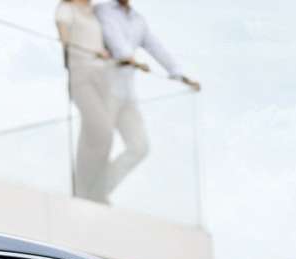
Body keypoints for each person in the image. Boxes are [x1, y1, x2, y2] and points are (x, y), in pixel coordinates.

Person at [94, 0, 201, 200]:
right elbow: (114, 41)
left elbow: (156, 48)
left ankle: (100, 187)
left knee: (140, 147)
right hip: (105, 90)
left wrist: (179, 74)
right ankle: (91, 191)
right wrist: (131, 58)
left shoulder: (138, 20)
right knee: (101, 144)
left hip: (127, 95)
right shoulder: (103, 10)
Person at [56, 0, 113, 202]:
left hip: (101, 78)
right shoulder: (66, 9)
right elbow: (64, 39)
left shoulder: (94, 12)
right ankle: (87, 189)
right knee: (103, 131)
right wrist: (87, 51)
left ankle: (89, 190)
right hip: (81, 76)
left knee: (91, 136)